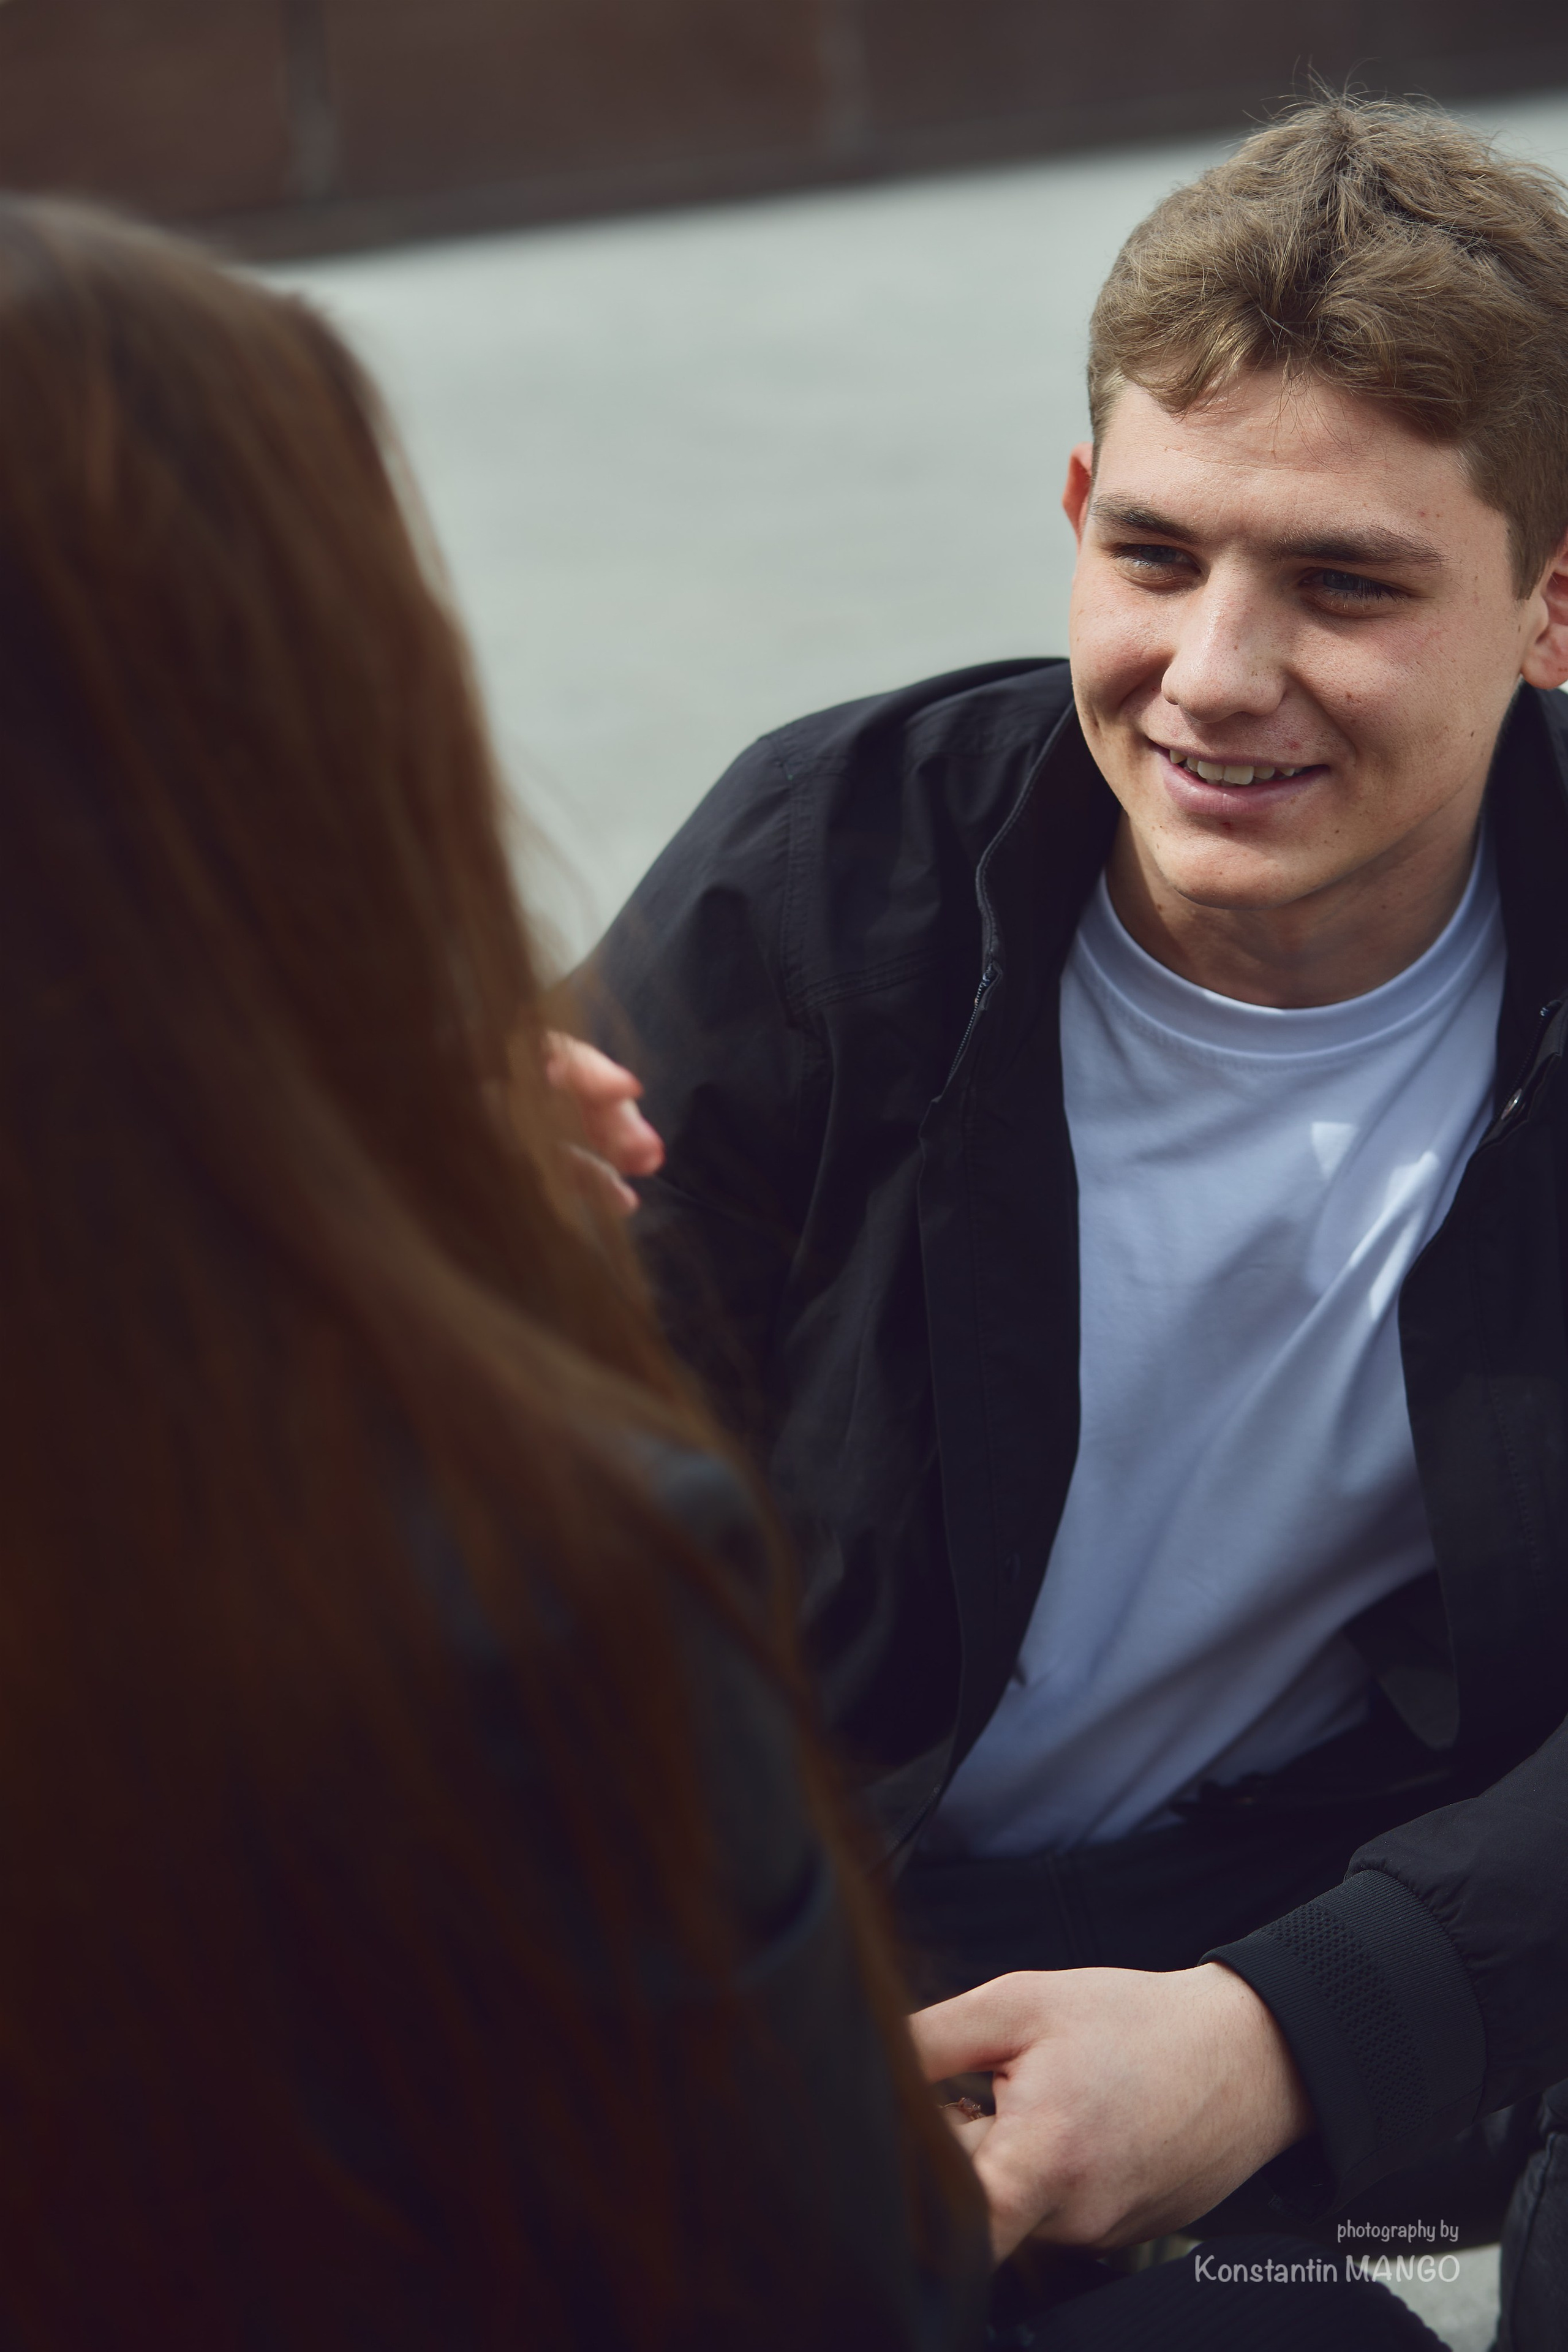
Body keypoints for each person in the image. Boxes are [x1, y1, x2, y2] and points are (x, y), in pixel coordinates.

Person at [578, 93, 1568, 2304]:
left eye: (1347, 584)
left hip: (1373, 1921)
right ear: (1071, 514)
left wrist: (1287, 2028)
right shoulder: (826, 866)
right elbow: (511, 1559)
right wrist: (384, 1279)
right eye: (1153, 554)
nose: (1215, 676)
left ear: (1554, 607)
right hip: (818, 1933)